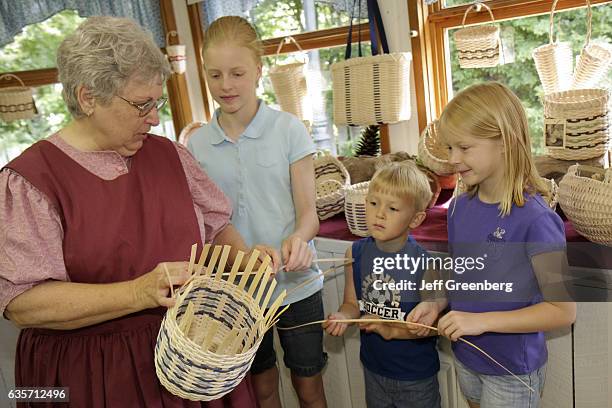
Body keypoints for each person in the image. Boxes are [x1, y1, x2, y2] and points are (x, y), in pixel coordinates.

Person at [0, 16, 279, 408]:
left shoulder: (169, 155)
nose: (154, 117)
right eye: (141, 104)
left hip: (189, 360)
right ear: (88, 98)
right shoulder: (30, 182)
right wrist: (138, 292)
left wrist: (249, 262)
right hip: (88, 375)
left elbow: (218, 229)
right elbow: (23, 304)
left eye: (157, 102)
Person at [187, 16, 326, 408]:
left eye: (237, 73)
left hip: (297, 286)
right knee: (261, 389)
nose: (225, 85)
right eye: (215, 75)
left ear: (259, 71)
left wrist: (299, 239)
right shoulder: (196, 146)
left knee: (310, 388)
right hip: (237, 294)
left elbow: (309, 215)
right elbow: (206, 227)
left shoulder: (289, 129)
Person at [436, 82, 576, 408]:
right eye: (449, 148)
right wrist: (437, 302)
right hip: (466, 357)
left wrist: (481, 322)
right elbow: (463, 274)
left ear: (504, 142)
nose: (454, 159)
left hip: (511, 371)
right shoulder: (457, 208)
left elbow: (563, 311)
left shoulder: (536, 219)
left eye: (464, 148)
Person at [323, 161, 442, 408]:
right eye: (373, 203)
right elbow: (351, 303)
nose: (379, 214)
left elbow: (433, 328)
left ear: (416, 219)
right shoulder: (354, 253)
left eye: (393, 208)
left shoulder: (426, 264)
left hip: (415, 377)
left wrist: (391, 330)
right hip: (374, 369)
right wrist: (343, 317)